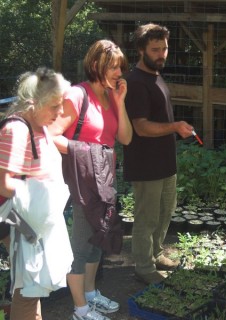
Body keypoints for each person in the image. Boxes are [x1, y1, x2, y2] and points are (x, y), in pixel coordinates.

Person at [48, 39, 132, 320]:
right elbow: (50, 134)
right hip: (82, 182)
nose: (118, 74)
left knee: (99, 239)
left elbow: (125, 138)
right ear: (95, 65)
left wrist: (120, 103)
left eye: (121, 68)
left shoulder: (110, 97)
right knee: (82, 245)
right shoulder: (76, 95)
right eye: (113, 68)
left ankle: (92, 295)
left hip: (105, 181)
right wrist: (83, 151)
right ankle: (80, 310)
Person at [123, 23, 194, 285]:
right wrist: (175, 127)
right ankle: (143, 267)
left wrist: (174, 129)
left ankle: (155, 254)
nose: (162, 54)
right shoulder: (135, 82)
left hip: (165, 162)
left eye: (164, 48)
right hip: (145, 164)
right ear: (141, 50)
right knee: (147, 216)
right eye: (155, 49)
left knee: (165, 211)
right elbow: (140, 127)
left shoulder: (156, 76)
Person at [0, 67, 73, 320]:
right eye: (54, 106)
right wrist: (47, 195)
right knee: (27, 288)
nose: (60, 113)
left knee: (34, 287)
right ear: (33, 104)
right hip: (17, 222)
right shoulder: (17, 131)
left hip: (33, 219)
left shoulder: (39, 125)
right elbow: (4, 184)